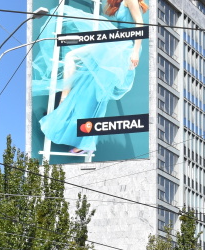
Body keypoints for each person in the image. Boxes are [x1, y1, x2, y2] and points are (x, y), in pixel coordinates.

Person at [38, 0, 149, 155]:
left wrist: (135, 51)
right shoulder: (118, 3)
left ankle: (87, 141)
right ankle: (66, 101)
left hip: (124, 47)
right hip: (114, 42)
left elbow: (140, 24)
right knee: (84, 78)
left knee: (99, 92)